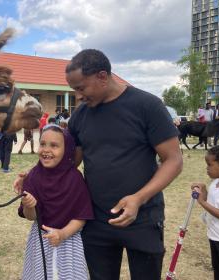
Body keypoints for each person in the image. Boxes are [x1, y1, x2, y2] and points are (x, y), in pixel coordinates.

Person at [16, 49, 183, 280]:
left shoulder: (148, 106)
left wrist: (139, 198)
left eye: (81, 88)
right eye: (74, 89)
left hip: (143, 217)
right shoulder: (81, 115)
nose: (78, 96)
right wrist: (33, 176)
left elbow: (173, 160)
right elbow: (67, 163)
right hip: (96, 219)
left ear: (102, 77)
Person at [18, 124, 94, 279]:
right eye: (43, 144)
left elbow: (81, 217)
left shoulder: (75, 179)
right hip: (41, 240)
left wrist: (63, 234)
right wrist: (29, 206)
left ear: (67, 150)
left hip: (68, 242)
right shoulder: (33, 176)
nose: (46, 150)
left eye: (54, 145)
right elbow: (31, 217)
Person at [191, 144, 219, 280]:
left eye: (209, 165)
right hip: (214, 235)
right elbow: (213, 202)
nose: (207, 168)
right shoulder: (216, 182)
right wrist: (203, 189)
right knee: (217, 267)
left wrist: (202, 202)